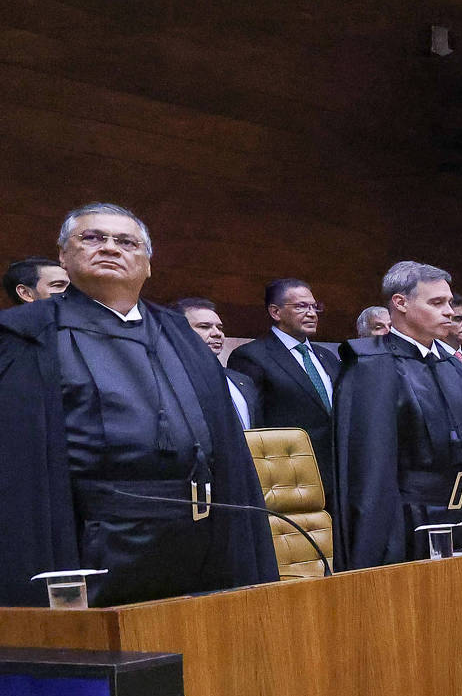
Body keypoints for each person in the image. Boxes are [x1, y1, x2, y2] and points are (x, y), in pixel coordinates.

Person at [0, 203, 275, 607]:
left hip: (199, 532)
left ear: (147, 264)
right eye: (92, 238)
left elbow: (226, 445)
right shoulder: (27, 335)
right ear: (63, 256)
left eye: (126, 242)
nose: (110, 248)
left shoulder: (178, 332)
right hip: (88, 538)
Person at [332, 261, 462, 566]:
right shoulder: (371, 365)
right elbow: (370, 471)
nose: (449, 312)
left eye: (450, 302)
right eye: (436, 302)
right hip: (403, 526)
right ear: (400, 303)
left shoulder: (452, 364)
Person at [228, 280, 343, 503]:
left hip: (338, 476)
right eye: (301, 307)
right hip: (287, 478)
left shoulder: (327, 357)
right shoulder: (251, 356)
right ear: (275, 312)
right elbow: (253, 421)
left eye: (314, 307)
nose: (312, 314)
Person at [171, 298, 258, 429]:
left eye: (220, 328)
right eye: (204, 327)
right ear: (177, 331)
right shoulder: (167, 379)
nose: (217, 334)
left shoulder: (242, 381)